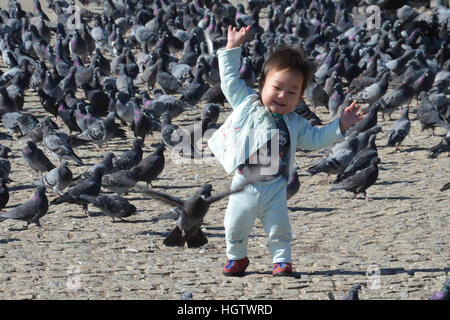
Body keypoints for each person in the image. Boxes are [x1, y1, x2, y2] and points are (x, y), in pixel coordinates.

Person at [207, 26, 364, 277]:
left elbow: (316, 138)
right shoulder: (247, 103)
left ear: (301, 96)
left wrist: (340, 125)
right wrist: (232, 48)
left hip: (276, 187)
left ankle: (282, 261)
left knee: (279, 227)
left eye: (292, 92)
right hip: (243, 183)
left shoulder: (295, 122)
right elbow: (229, 80)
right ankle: (236, 257)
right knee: (234, 225)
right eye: (277, 87)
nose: (282, 96)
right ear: (262, 84)